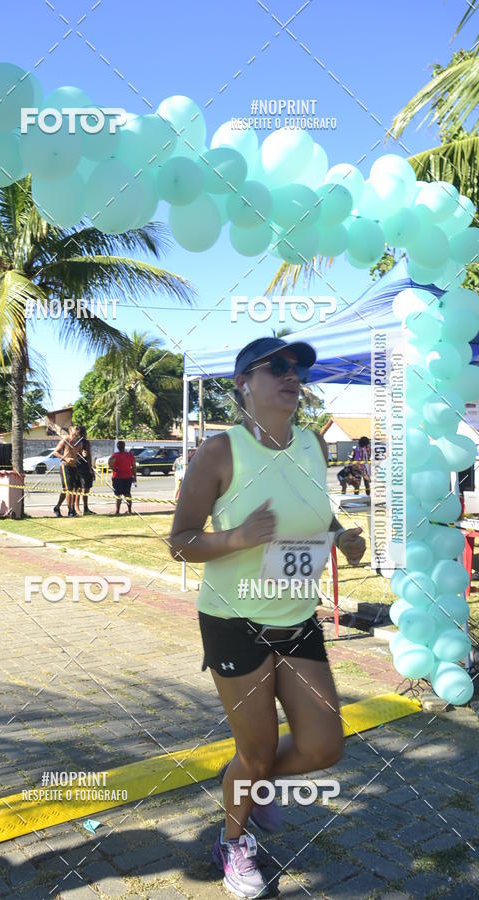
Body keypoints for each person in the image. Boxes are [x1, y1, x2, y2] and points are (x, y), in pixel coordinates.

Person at [170, 336, 365, 898]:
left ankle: (242, 783)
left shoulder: (312, 445)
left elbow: (313, 513)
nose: (291, 375)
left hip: (297, 617)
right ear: (242, 383)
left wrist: (340, 537)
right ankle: (233, 844)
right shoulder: (220, 452)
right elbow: (180, 543)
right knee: (255, 751)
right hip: (235, 621)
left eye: (298, 367)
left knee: (324, 745)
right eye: (275, 366)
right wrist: (236, 537)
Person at [52, 425, 80, 517]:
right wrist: (65, 458)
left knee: (68, 490)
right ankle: (70, 511)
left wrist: (83, 454)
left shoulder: (78, 443)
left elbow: (79, 454)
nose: (77, 431)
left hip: (74, 467)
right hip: (65, 467)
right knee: (69, 490)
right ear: (70, 431)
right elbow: (55, 452)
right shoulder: (65, 440)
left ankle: (57, 507)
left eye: (78, 429)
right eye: (76, 429)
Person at [108, 440, 137, 515]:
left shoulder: (115, 455)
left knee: (118, 494)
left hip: (117, 477)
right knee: (127, 494)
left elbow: (110, 462)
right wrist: (134, 476)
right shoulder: (130, 455)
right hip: (128, 476)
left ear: (117, 447)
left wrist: (114, 469)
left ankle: (117, 511)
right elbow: (134, 466)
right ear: (124, 446)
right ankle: (129, 510)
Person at [75, 425, 96, 515]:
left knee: (80, 489)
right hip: (82, 467)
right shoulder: (84, 442)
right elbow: (89, 456)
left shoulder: (74, 442)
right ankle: (82, 508)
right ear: (84, 433)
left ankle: (81, 508)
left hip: (77, 466)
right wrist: (90, 468)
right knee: (83, 489)